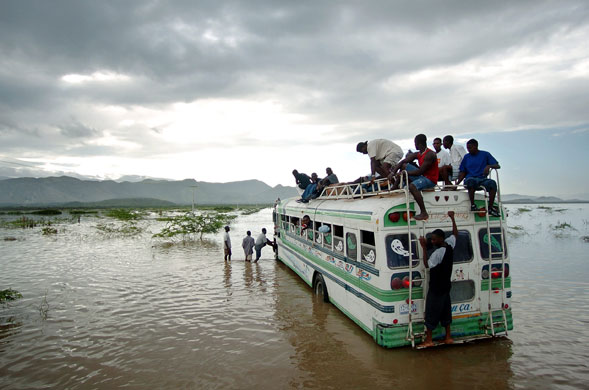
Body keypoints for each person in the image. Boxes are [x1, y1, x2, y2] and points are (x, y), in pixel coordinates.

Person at [418, 211, 457, 348]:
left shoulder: (437, 253)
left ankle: (429, 339)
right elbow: (455, 234)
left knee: (431, 311)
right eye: (431, 239)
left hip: (436, 288)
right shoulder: (450, 245)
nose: (432, 241)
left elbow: (427, 264)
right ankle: (448, 337)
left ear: (441, 238)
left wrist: (423, 247)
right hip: (446, 286)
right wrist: (453, 218)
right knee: (446, 311)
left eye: (434, 239)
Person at [389, 134, 439, 220]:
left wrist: (404, 173)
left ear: (419, 144)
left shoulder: (430, 154)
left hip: (430, 179)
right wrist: (393, 172)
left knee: (412, 186)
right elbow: (403, 162)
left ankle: (424, 212)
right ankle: (394, 187)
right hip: (423, 177)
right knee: (404, 165)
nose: (414, 145)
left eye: (415, 143)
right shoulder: (418, 154)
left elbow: (420, 171)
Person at [455, 139, 501, 217]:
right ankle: (473, 205)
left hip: (482, 179)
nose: (468, 150)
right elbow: (463, 172)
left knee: (492, 183)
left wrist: (489, 166)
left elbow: (497, 165)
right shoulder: (466, 157)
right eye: (467, 148)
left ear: (476, 146)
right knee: (471, 181)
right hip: (470, 178)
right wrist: (457, 184)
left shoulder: (485, 154)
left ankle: (490, 208)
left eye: (470, 148)